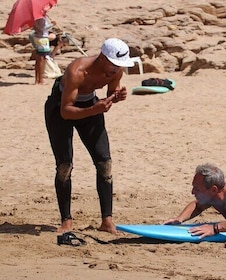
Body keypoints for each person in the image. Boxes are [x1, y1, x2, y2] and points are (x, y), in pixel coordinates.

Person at [44, 38, 134, 234]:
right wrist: (95, 108)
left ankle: (107, 220)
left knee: (104, 163)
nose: (117, 69)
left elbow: (111, 92)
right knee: (64, 166)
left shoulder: (116, 71)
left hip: (90, 107)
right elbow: (66, 111)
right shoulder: (77, 71)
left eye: (120, 65)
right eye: (114, 64)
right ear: (102, 57)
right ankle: (66, 220)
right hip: (61, 108)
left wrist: (116, 96)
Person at [29, 17, 54, 84]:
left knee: (39, 59)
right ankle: (40, 80)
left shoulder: (35, 17)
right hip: (42, 39)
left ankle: (37, 79)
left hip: (37, 38)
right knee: (42, 59)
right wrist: (52, 24)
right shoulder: (41, 18)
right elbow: (42, 28)